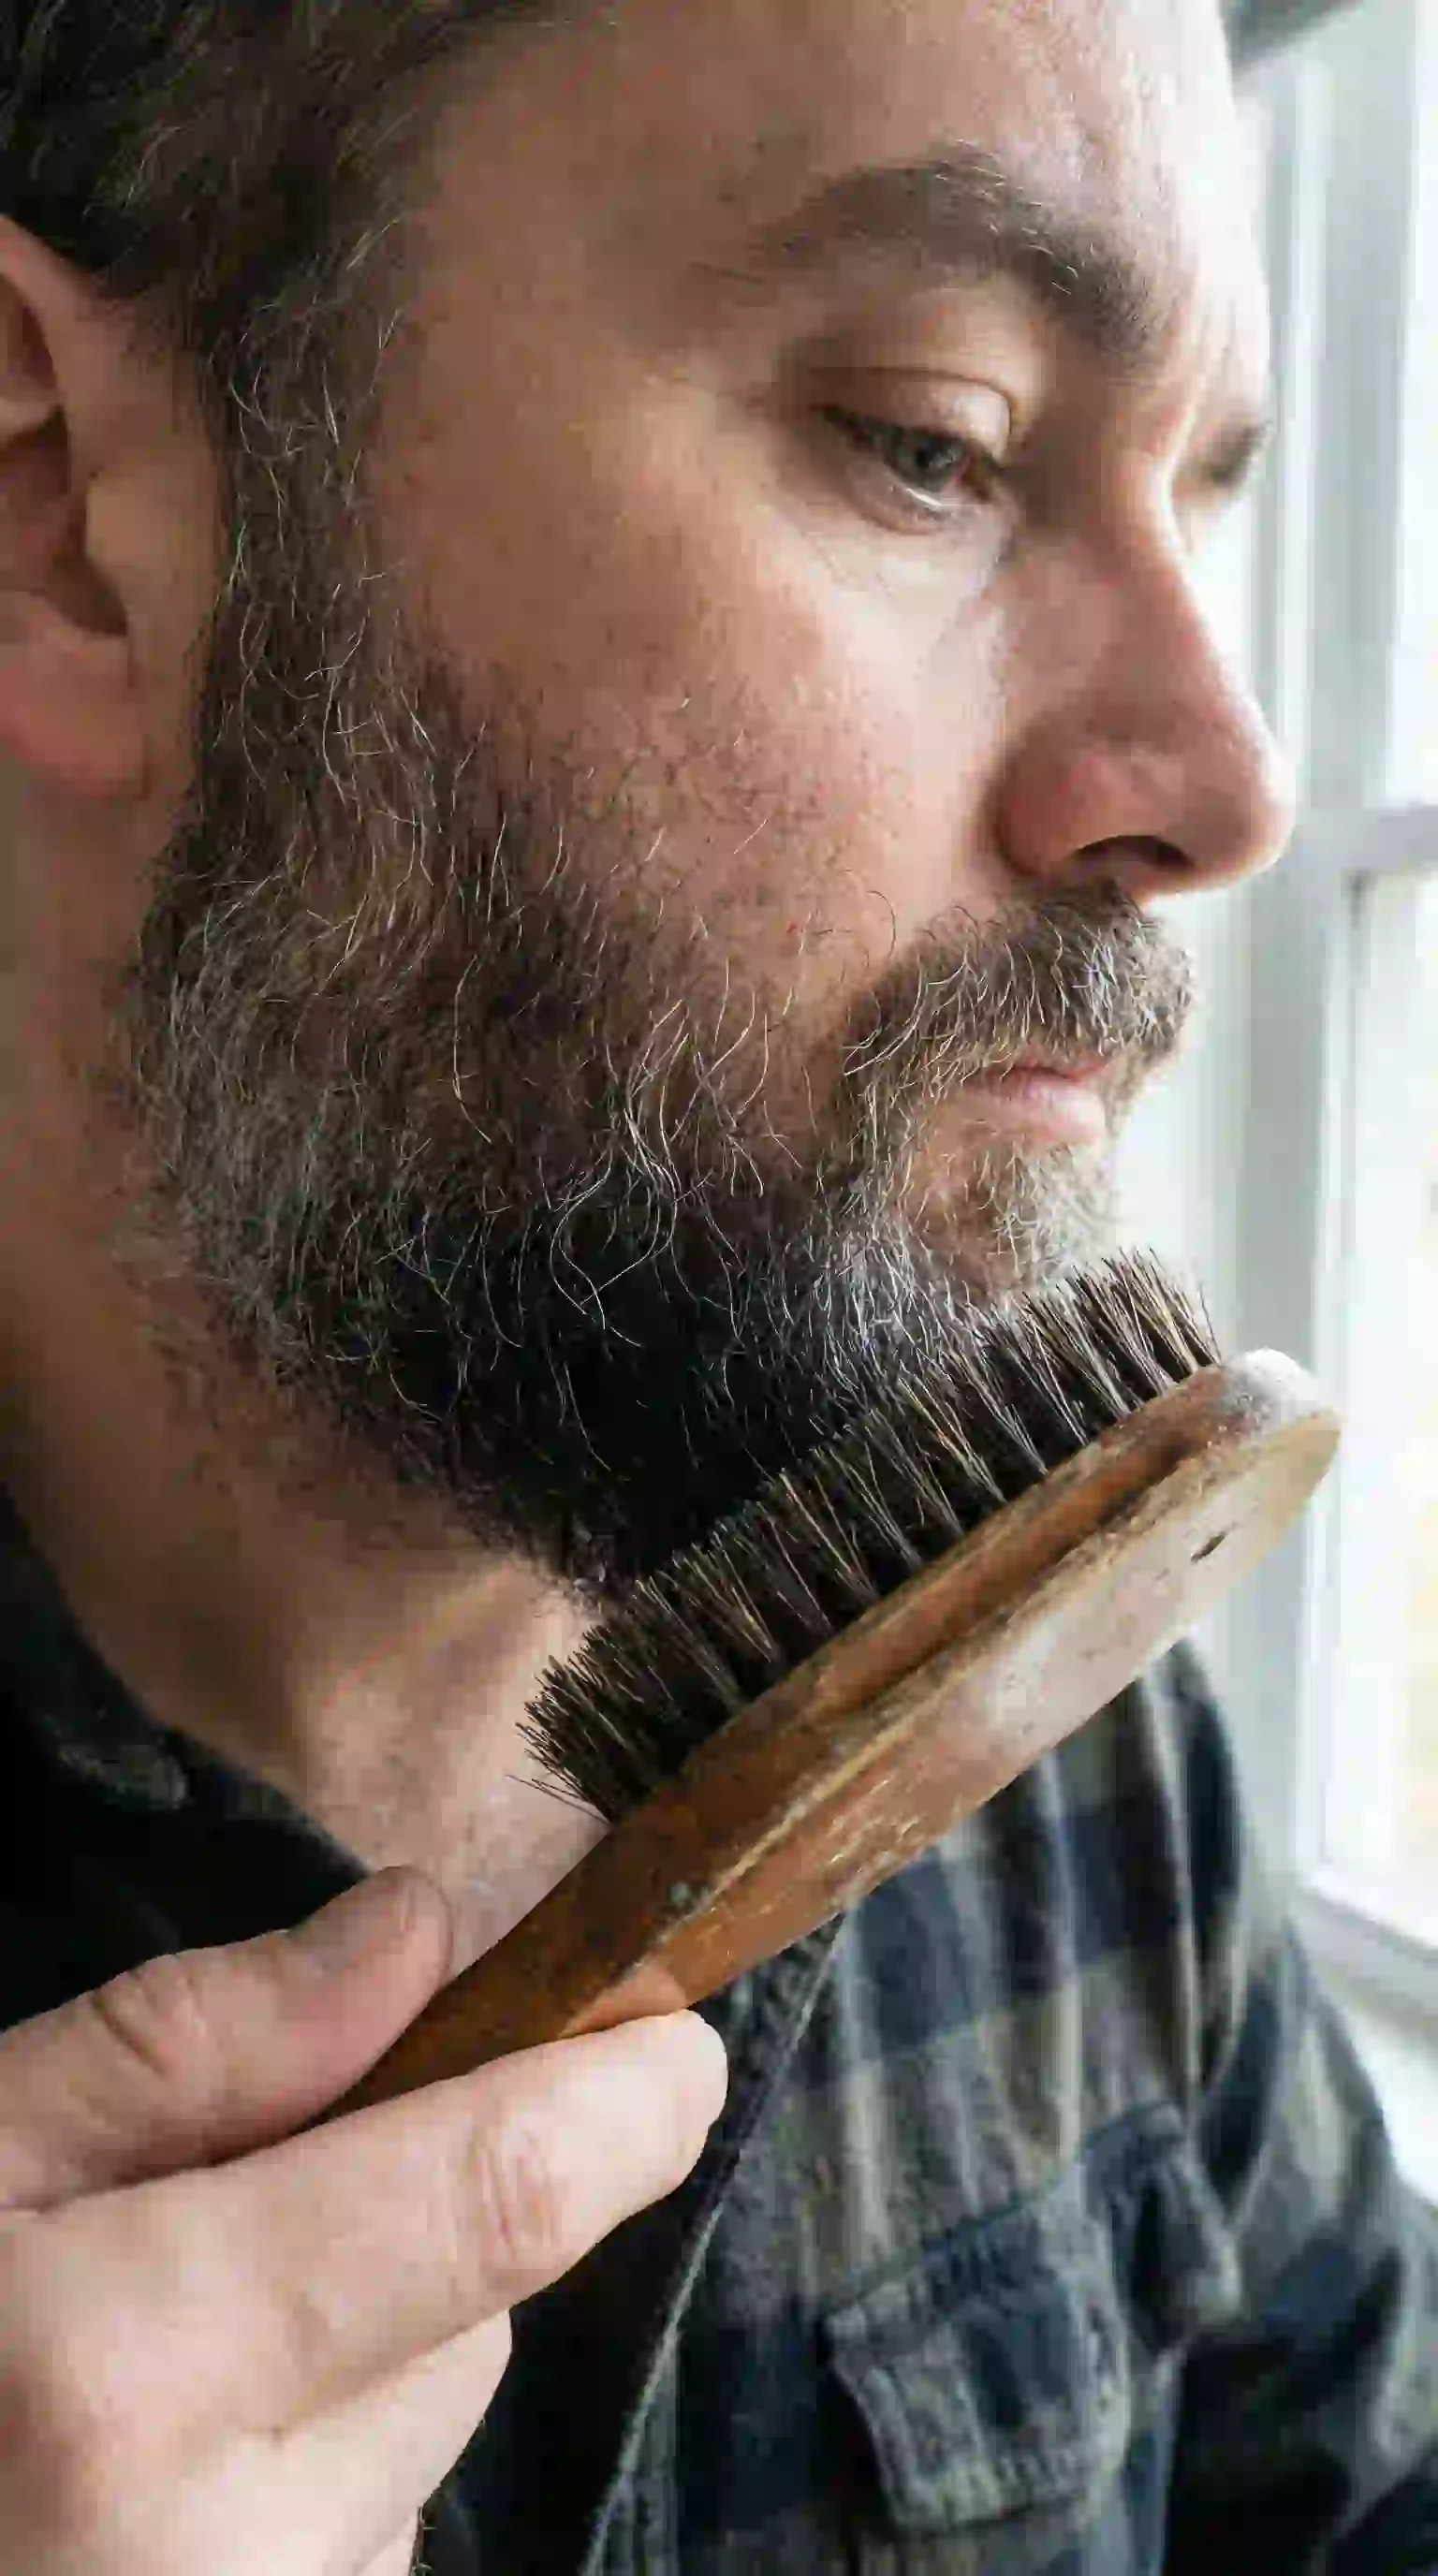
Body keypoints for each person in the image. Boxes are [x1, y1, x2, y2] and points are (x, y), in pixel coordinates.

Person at [0, 0, 1432, 2567]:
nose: (1225, 783)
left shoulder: (1076, 1766)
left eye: (1199, 501)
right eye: (938, 442)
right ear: (56, 507)